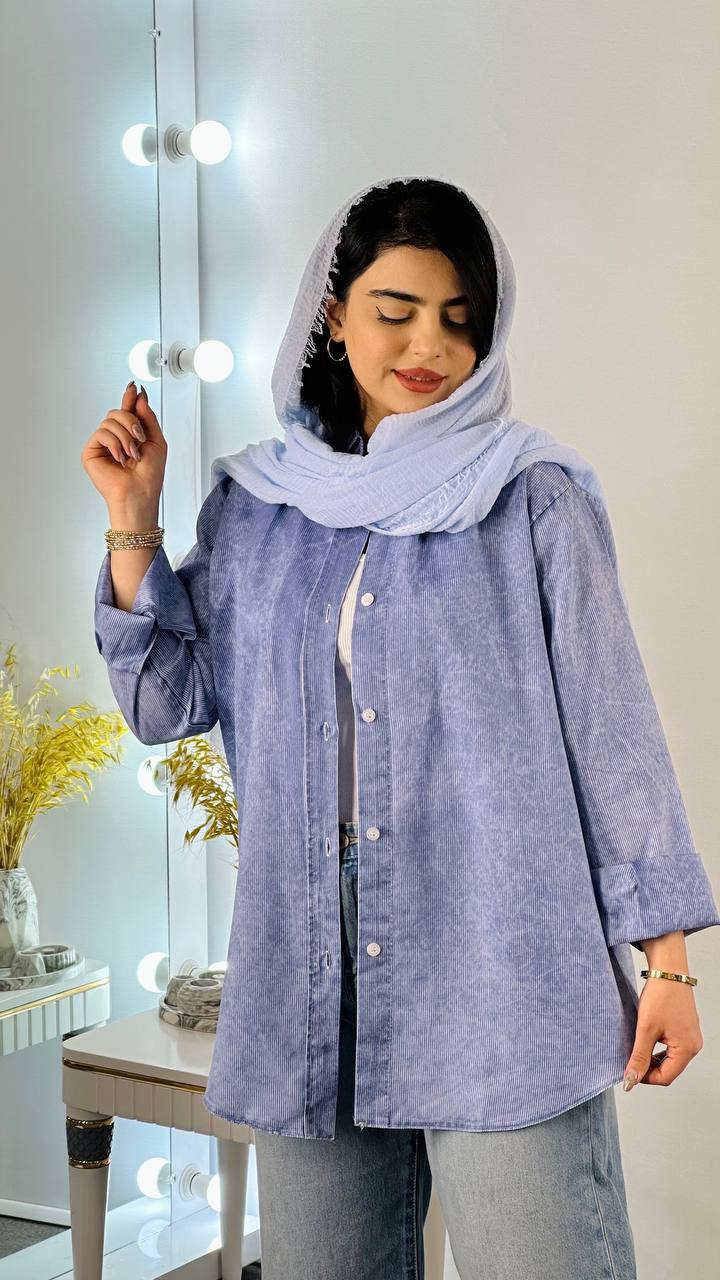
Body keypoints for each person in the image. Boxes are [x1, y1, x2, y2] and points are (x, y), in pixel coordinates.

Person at [83, 175, 720, 1280]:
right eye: (398, 310)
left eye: (460, 319)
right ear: (334, 316)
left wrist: (668, 962)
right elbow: (164, 703)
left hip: (501, 949)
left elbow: (611, 730)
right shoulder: (261, 505)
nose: (431, 346)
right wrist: (133, 517)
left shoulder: (532, 496)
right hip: (302, 961)